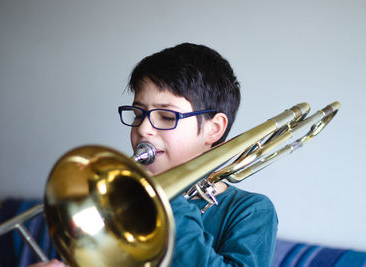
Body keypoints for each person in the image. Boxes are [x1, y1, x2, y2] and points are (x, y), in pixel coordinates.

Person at [30, 43, 278, 266]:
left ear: (213, 129)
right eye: (138, 114)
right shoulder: (117, 201)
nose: (143, 128)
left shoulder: (251, 211)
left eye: (167, 117)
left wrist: (167, 201)